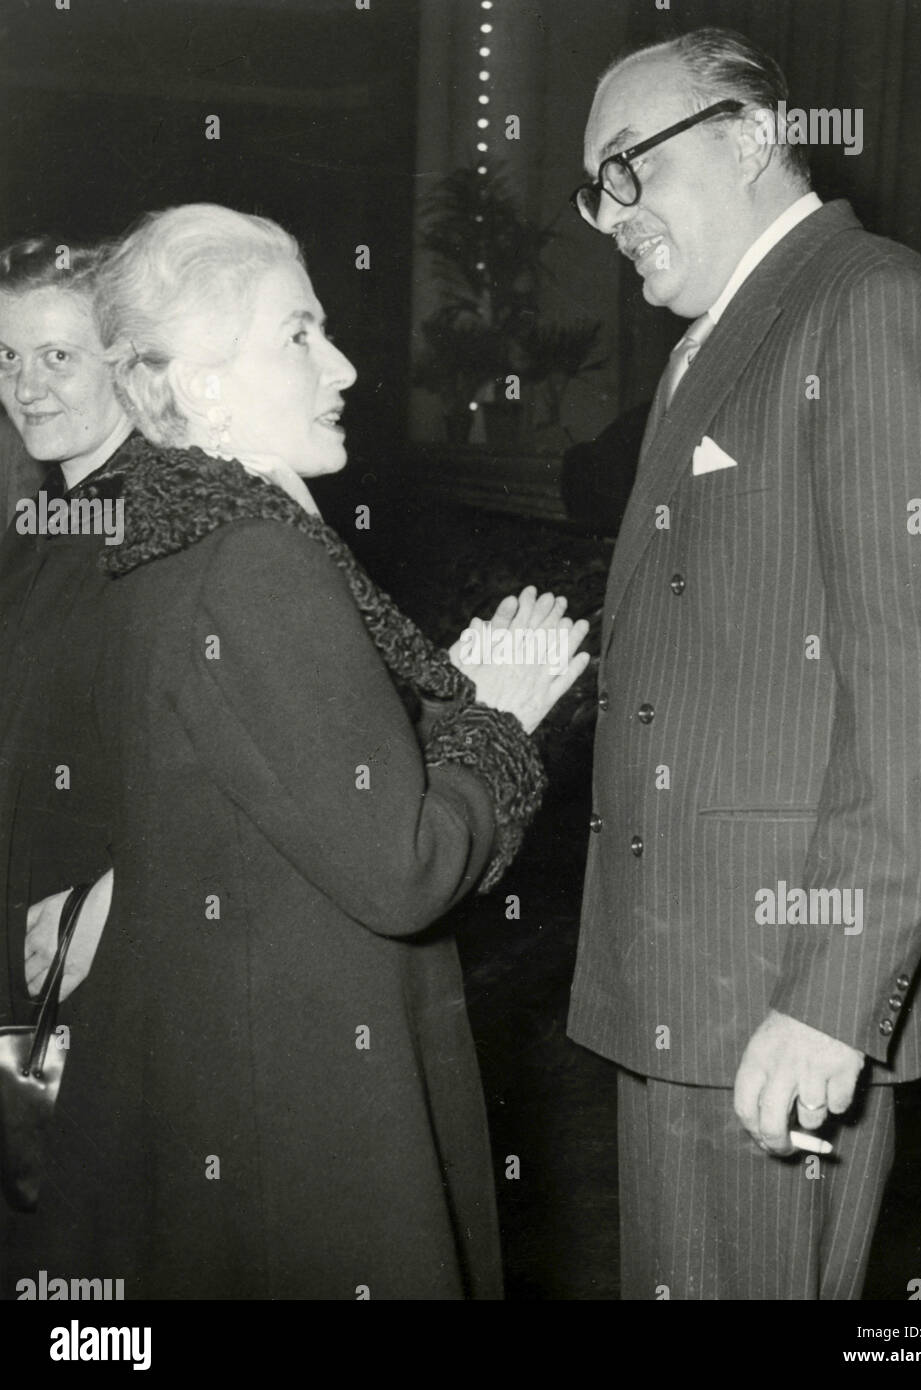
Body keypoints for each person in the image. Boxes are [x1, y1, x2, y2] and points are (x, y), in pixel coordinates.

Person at [1, 203, 588, 1301]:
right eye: (298, 334)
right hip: (312, 1101)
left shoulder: (163, 535)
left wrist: (432, 709)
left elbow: (264, 778)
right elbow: (402, 870)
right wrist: (498, 726)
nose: (346, 364)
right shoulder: (255, 560)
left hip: (234, 1087)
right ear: (203, 383)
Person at [566, 28, 921, 1299]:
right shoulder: (718, 341)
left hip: (778, 985)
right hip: (688, 970)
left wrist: (830, 997)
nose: (611, 214)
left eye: (629, 166)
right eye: (593, 189)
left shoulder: (869, 307)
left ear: (754, 136)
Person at [0, 239, 133, 1039]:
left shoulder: (166, 522)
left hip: (95, 968)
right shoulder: (48, 518)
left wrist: (123, 898)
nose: (24, 388)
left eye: (57, 356)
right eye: (6, 357)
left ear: (125, 361)